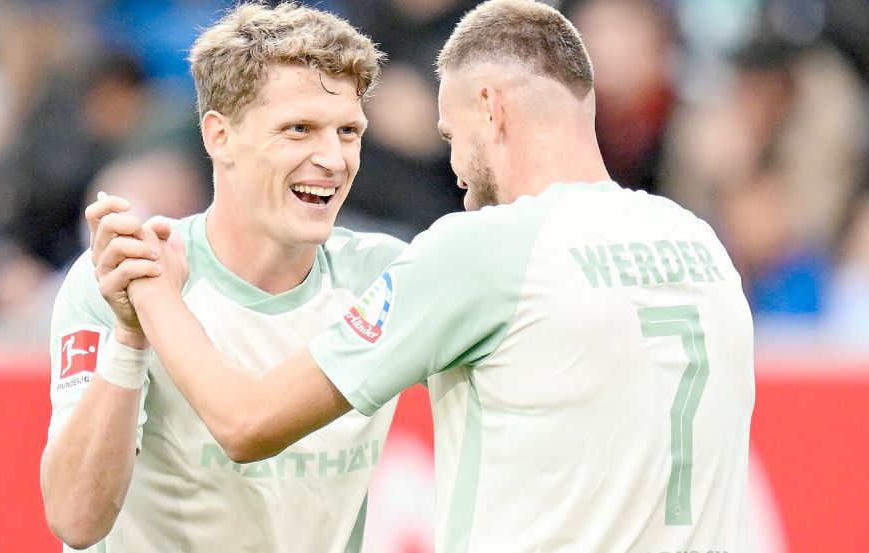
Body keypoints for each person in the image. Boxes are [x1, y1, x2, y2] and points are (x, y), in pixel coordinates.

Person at [96, 0, 755, 551]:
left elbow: (244, 422)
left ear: (491, 110)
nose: (458, 173)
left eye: (450, 134)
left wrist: (152, 292)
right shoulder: (698, 245)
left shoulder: (486, 250)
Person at [39, 4, 406, 552]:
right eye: (298, 129)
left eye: (349, 131)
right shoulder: (126, 275)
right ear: (220, 136)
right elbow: (75, 518)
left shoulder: (385, 277)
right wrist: (131, 338)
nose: (332, 158)